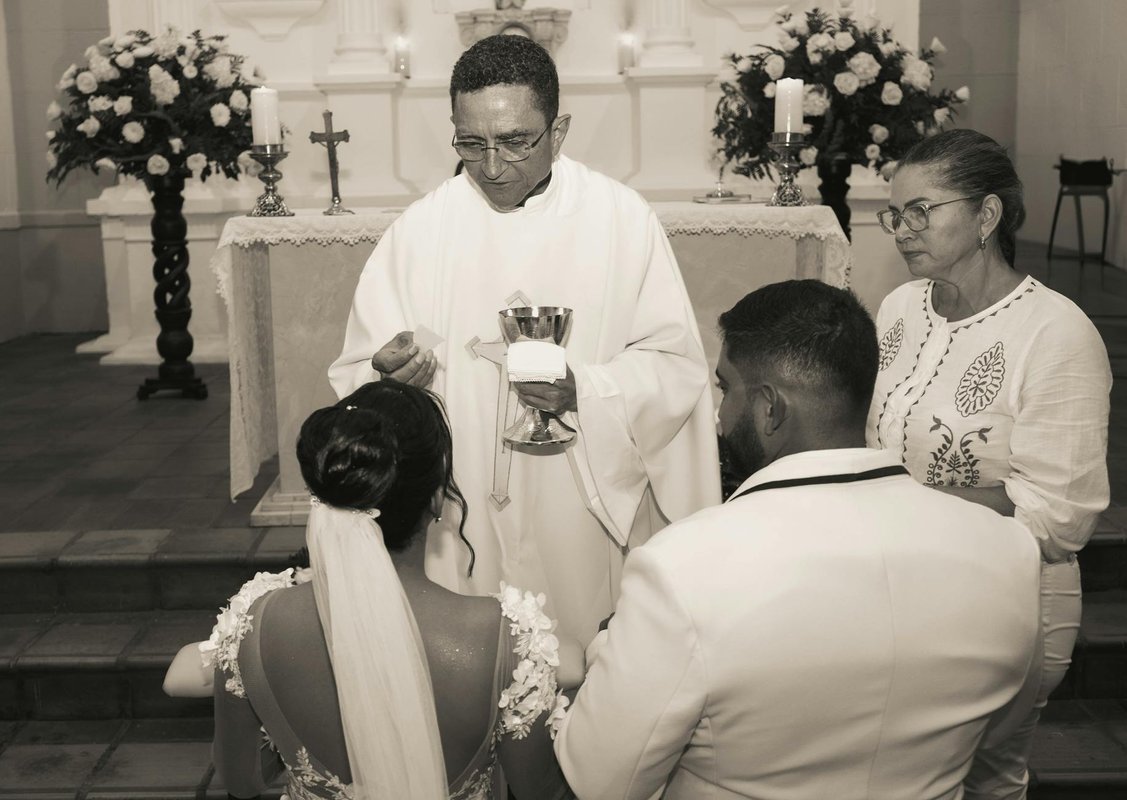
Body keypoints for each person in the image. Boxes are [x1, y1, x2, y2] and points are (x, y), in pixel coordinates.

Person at [554, 280, 1042, 800]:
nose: (719, 416)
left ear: (769, 408)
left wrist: (612, 645)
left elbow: (599, 781)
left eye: (726, 390)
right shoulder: (1008, 551)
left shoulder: (682, 570)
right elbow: (1000, 753)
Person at [329, 34, 719, 647]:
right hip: (458, 508)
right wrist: (387, 377)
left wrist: (582, 390)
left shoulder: (620, 221)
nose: (490, 166)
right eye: (470, 143)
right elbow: (365, 367)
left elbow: (673, 366)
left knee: (583, 663)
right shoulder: (421, 232)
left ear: (558, 131)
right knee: (472, 672)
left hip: (581, 505)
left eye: (515, 141)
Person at [867, 129, 1112, 799]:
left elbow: (1056, 517)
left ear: (986, 215)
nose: (901, 229)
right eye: (895, 213)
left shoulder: (1054, 333)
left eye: (921, 210)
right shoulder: (898, 307)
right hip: (898, 585)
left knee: (987, 778)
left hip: (1006, 600)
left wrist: (894, 507)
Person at [202, 381, 575, 799]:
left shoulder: (253, 622)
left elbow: (241, 782)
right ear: (437, 499)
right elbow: (538, 793)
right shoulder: (507, 637)